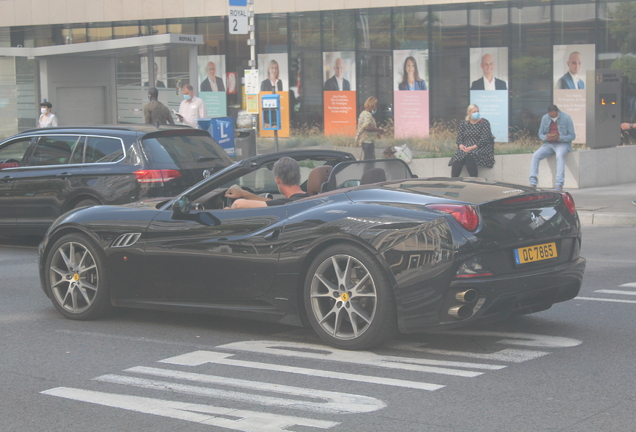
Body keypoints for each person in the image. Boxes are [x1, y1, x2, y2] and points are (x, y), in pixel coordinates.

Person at [225, 157, 308, 209]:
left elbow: (238, 204)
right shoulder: (312, 197)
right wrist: (244, 194)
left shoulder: (287, 204)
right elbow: (271, 203)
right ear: (299, 176)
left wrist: (228, 211)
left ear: (278, 179)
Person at [529, 104, 576, 191]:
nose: (552, 118)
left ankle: (559, 183)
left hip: (562, 144)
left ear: (557, 112)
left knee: (559, 155)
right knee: (535, 155)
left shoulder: (566, 118)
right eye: (550, 116)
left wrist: (559, 137)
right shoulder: (545, 118)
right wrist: (545, 137)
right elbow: (540, 134)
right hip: (549, 144)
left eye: (554, 116)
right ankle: (533, 183)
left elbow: (572, 136)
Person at [448, 104, 495, 177]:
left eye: (478, 111)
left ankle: (474, 180)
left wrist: (472, 147)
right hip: (466, 147)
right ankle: (453, 181)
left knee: (470, 156)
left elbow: (485, 138)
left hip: (480, 147)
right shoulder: (464, 123)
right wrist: (461, 146)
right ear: (469, 113)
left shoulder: (484, 122)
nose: (477, 113)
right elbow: (459, 138)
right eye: (474, 112)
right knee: (458, 158)